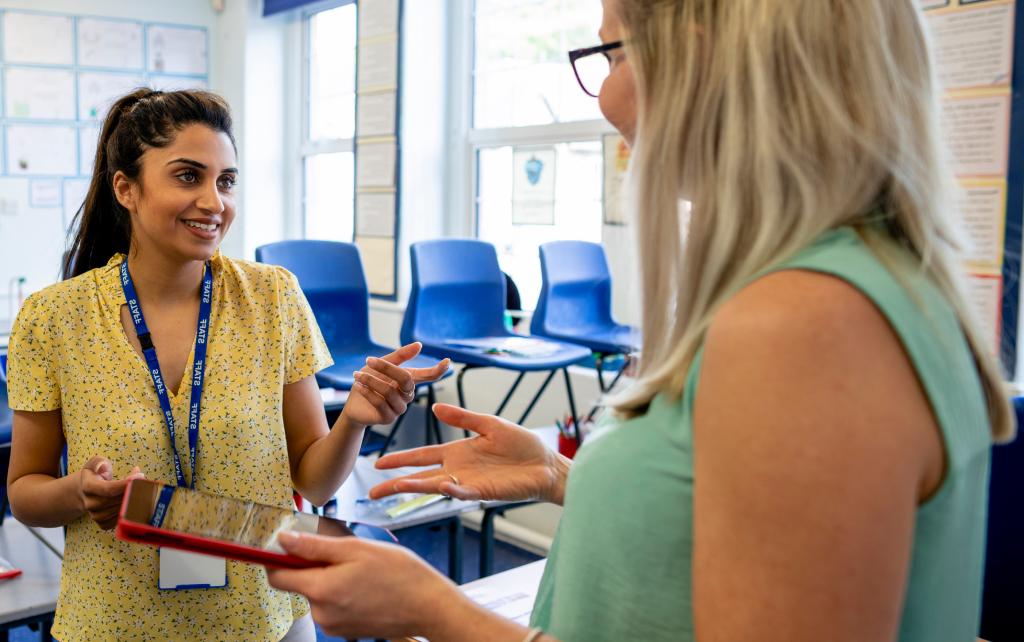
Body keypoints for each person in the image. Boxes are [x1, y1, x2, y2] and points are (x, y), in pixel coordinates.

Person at [266, 1, 1013, 641]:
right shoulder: (862, 285)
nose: (603, 94)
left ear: (699, 54)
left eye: (609, 51)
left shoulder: (806, 324)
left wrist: (435, 609)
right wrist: (561, 476)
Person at [4, 88, 449, 642]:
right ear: (127, 189)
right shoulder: (54, 318)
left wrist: (354, 419)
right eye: (188, 176)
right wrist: (78, 493)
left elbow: (311, 479)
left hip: (262, 615)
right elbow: (24, 490)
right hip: (114, 619)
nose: (215, 202)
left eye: (226, 180)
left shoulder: (272, 297)